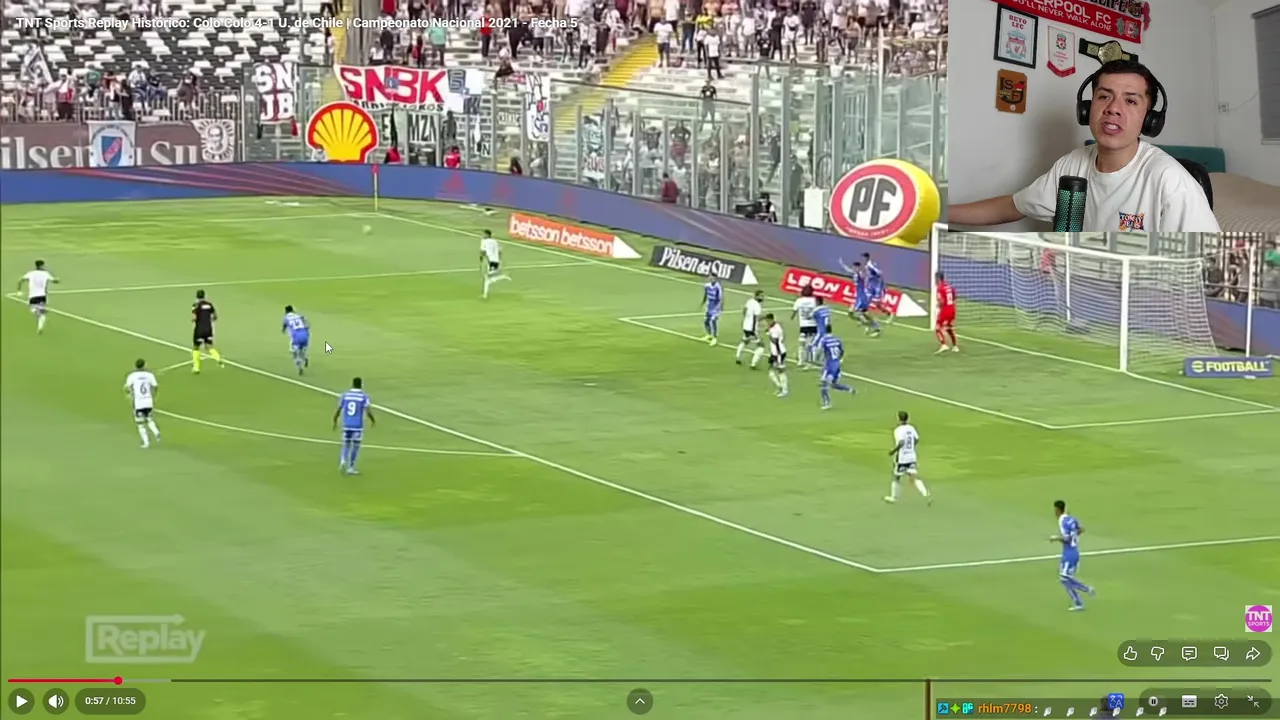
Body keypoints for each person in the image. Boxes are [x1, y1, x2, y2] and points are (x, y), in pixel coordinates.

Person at [948, 60, 1220, 233]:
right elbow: (1012, 206)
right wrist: (940, 213)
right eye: (1104, 97)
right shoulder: (1072, 164)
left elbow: (1209, 267)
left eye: (1130, 101)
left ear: (1149, 120)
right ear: (1087, 109)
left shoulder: (1171, 181)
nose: (1113, 109)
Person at [1052, 500, 1096, 611]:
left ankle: (1087, 589)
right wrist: (1074, 536)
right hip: (1073, 551)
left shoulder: (1062, 521)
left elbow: (1066, 539)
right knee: (1064, 579)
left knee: (1065, 578)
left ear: (1057, 510)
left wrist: (1055, 538)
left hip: (1069, 553)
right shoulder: (1072, 519)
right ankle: (1079, 603)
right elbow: (1081, 529)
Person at [885, 410, 930, 504]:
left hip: (902, 458)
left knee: (896, 477)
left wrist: (893, 451)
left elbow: (901, 442)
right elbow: (916, 439)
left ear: (899, 419)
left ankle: (893, 497)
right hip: (912, 456)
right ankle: (926, 494)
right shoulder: (911, 428)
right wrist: (911, 447)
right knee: (914, 477)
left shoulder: (898, 430)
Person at [334, 377, 375, 475]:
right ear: (361, 385)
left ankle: (343, 460)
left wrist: (335, 420)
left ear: (352, 384)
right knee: (356, 446)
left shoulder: (345, 395)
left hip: (346, 424)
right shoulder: (363, 396)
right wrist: (373, 420)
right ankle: (351, 467)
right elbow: (368, 411)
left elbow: (339, 409)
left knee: (346, 444)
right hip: (357, 426)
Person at [124, 358, 161, 449]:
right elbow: (155, 386)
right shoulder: (149, 375)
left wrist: (129, 395)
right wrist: (153, 395)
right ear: (144, 365)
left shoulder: (132, 376)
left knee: (140, 424)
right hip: (148, 401)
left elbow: (127, 388)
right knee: (149, 419)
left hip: (138, 402)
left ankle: (146, 443)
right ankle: (155, 431)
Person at [16, 259, 57, 334]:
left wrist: (19, 291)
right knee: (42, 314)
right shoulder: (45, 273)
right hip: (42, 296)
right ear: (41, 266)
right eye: (43, 265)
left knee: (34, 310)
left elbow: (20, 280)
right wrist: (57, 280)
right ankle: (40, 326)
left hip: (33, 296)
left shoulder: (31, 273)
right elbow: (55, 281)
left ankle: (37, 314)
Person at [191, 289, 223, 373]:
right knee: (209, 346)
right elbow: (215, 316)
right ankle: (218, 358)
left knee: (196, 347)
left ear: (197, 297)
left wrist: (194, 320)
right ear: (204, 296)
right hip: (208, 329)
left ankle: (196, 368)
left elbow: (194, 317)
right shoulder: (209, 305)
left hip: (199, 329)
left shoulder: (196, 305)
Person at [282, 305, 310, 375]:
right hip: (304, 335)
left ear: (286, 311)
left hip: (296, 336)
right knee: (301, 350)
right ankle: (304, 358)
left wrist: (283, 330)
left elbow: (284, 326)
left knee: (294, 353)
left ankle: (299, 368)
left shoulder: (286, 318)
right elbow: (307, 325)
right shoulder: (299, 316)